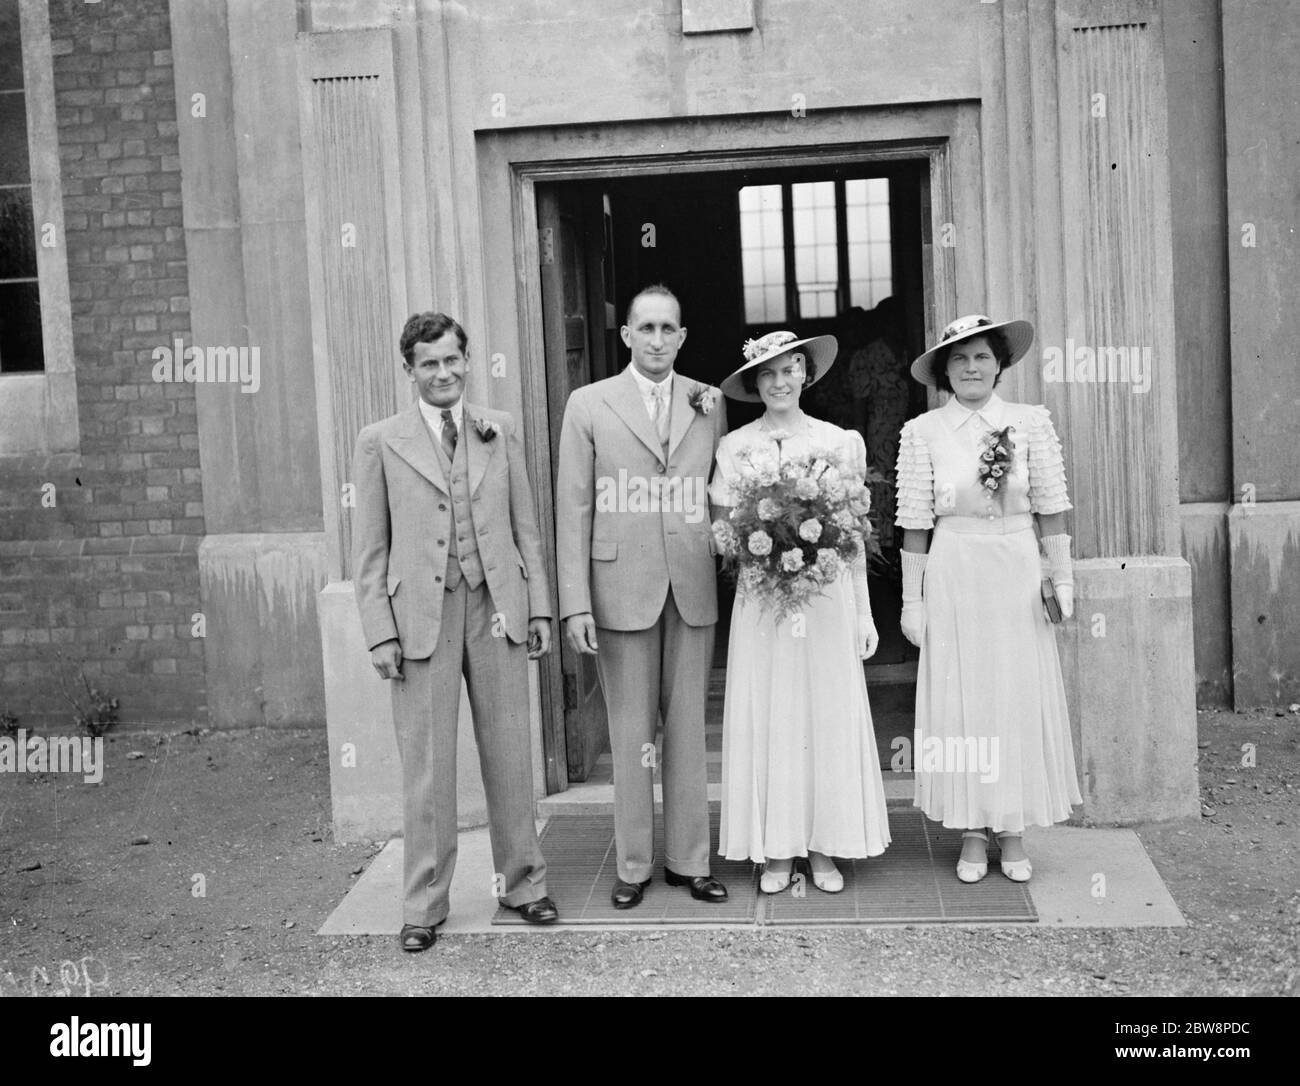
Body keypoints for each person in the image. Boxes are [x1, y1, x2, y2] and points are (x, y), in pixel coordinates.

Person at [352, 311, 558, 952]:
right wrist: (379, 632)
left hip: (495, 610)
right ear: (409, 369)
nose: (442, 372)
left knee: (508, 752)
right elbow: (369, 551)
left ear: (467, 361)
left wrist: (539, 609)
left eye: (451, 360)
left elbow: (528, 529)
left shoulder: (501, 431)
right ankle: (423, 905)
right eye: (428, 363)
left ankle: (524, 884)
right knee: (427, 767)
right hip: (420, 621)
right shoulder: (379, 441)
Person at [556, 284, 730, 910]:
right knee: (632, 731)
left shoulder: (707, 402)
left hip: (689, 585)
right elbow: (573, 506)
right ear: (626, 334)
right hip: (620, 587)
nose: (657, 339)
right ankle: (633, 864)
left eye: (669, 329)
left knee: (686, 728)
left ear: (682, 337)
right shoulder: (588, 404)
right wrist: (574, 602)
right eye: (646, 328)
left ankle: (690, 861)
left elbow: (719, 493)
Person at [895, 313, 1081, 883]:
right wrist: (913, 599)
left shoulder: (1030, 422)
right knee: (963, 695)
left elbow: (1050, 506)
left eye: (981, 356)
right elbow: (915, 521)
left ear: (999, 364)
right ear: (944, 372)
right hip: (956, 566)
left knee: (1013, 693)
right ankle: (972, 831)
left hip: (1016, 566)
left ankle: (1012, 829)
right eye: (959, 359)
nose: (971, 368)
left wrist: (1062, 577)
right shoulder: (923, 432)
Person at [710, 330, 891, 893]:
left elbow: (856, 537)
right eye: (766, 374)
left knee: (823, 715)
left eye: (789, 369)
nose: (779, 382)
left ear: (805, 375)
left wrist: (864, 615)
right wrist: (754, 533)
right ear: (754, 383)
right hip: (764, 599)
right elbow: (719, 535)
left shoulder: (841, 443)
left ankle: (822, 846)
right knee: (775, 714)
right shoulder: (735, 447)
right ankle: (779, 849)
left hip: (826, 597)